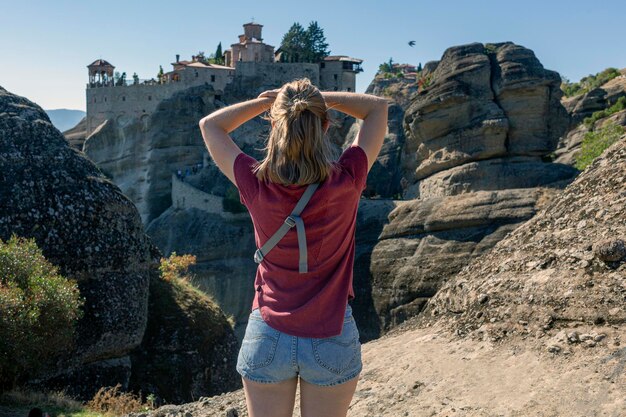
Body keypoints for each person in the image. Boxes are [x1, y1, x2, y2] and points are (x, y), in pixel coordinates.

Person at [198, 78, 388, 417]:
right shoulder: (348, 178)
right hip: (332, 335)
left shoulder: (254, 181)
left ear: (275, 124)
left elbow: (210, 126)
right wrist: (315, 100)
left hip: (268, 335)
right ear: (324, 124)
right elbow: (377, 107)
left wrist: (271, 102)